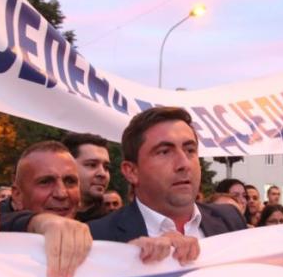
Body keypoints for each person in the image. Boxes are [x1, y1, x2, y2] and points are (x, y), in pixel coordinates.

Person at [88, 107, 246, 264]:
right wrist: (129, 259)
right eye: (164, 152)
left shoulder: (230, 219)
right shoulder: (96, 238)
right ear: (132, 171)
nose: (184, 164)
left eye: (190, 150)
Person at [61, 132, 111, 222]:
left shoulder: (119, 225)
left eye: (106, 167)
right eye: (92, 165)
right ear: (67, 165)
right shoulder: (38, 217)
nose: (102, 173)